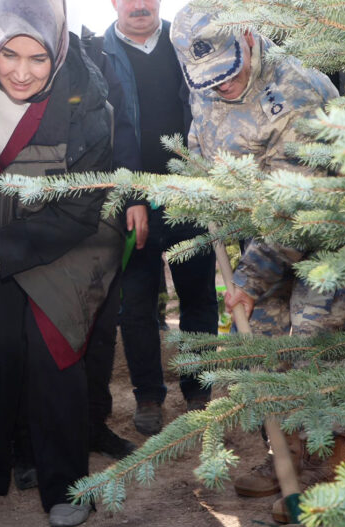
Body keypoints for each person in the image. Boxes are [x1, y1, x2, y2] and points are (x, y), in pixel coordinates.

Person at [171, 6, 345, 518]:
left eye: (229, 73)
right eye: (208, 80)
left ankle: (325, 474)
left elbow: (295, 216)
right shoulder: (203, 77)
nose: (221, 86)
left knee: (313, 348)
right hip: (261, 234)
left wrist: (248, 279)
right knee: (269, 349)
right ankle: (285, 460)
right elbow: (202, 133)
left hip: (325, 233)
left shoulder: (301, 91)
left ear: (248, 37)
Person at [0, 0, 121, 527]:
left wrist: (5, 247)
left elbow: (80, 209)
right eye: (10, 55)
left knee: (52, 349)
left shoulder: (89, 101)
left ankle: (66, 485)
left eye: (37, 58)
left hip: (71, 236)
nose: (22, 72)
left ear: (57, 50)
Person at [104, 0, 218, 437]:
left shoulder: (185, 43)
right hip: (133, 201)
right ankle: (149, 395)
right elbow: (105, 130)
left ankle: (198, 391)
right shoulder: (99, 52)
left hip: (189, 195)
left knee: (199, 298)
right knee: (135, 305)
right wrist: (130, 194)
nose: (138, 5)